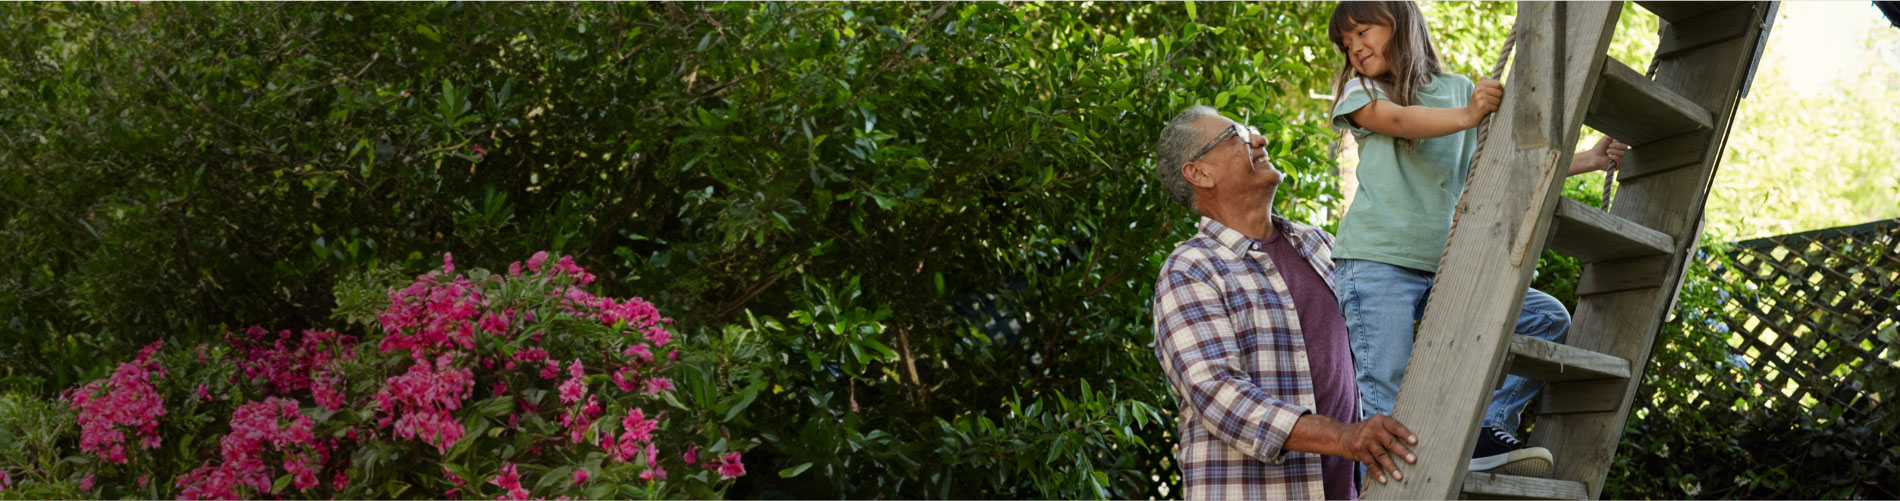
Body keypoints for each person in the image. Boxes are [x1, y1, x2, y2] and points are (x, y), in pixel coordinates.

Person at [1324, 1, 1630, 477]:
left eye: (1363, 32)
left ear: (1401, 23)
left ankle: (1482, 432)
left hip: (1448, 264)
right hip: (1376, 262)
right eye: (1346, 44)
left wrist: (1589, 159)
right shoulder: (1360, 91)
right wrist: (1470, 115)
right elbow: (1402, 122)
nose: (1356, 48)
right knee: (1389, 407)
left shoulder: (1458, 91)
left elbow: (1501, 166)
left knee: (1545, 319)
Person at [1152, 105, 1416, 500]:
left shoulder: (1322, 246)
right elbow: (1221, 397)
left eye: (1253, 131)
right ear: (1199, 173)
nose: (1260, 140)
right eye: (1238, 137)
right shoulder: (1191, 270)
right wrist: (1343, 438)